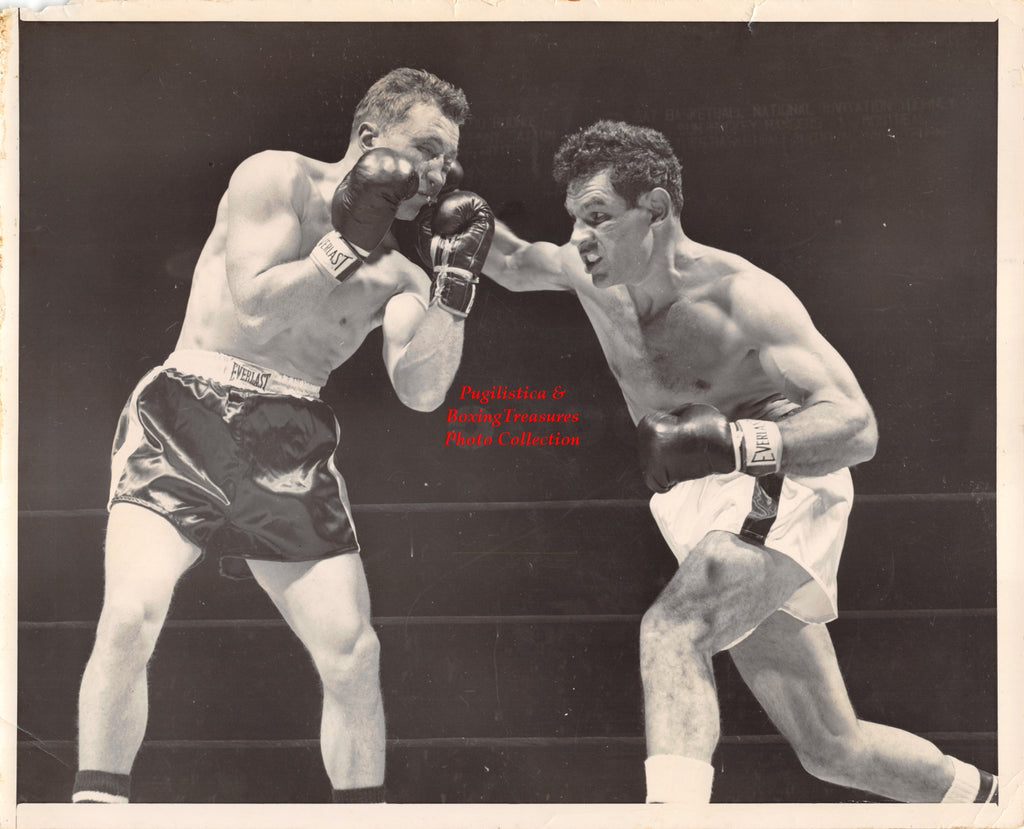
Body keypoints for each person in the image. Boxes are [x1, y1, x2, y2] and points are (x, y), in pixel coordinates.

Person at [482, 120, 997, 804]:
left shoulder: (740, 296)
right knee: (831, 747)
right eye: (575, 219)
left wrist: (734, 443)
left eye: (598, 218)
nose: (579, 237)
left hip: (774, 477)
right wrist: (446, 220)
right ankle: (991, 797)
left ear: (658, 208)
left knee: (673, 629)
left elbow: (856, 425)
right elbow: (516, 264)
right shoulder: (588, 270)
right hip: (694, 501)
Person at [72, 67, 494, 805]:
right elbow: (257, 307)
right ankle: (96, 806)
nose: (439, 171)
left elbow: (422, 392)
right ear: (370, 138)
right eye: (426, 147)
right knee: (132, 611)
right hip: (186, 411)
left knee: (354, 652)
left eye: (447, 159)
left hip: (293, 440)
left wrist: (453, 293)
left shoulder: (401, 275)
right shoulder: (275, 178)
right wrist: (345, 244)